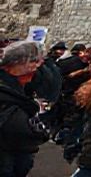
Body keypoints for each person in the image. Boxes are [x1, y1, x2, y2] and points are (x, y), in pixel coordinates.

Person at [0, 41, 51, 177]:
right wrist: (37, 132)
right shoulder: (6, 88)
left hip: (18, 153)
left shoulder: (23, 83)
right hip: (8, 152)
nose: (35, 66)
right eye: (32, 61)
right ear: (17, 62)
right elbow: (14, 126)